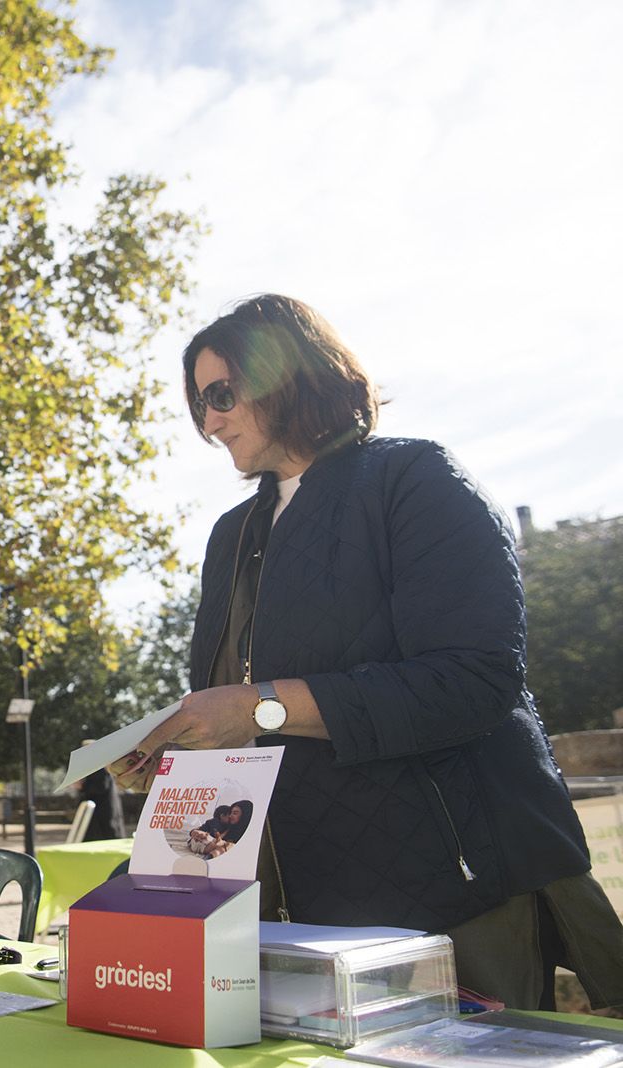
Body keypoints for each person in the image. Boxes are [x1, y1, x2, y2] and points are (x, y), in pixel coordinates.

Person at [114, 294, 623, 1010]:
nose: (209, 422)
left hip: (456, 897)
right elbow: (240, 714)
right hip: (305, 913)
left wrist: (258, 708)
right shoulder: (231, 536)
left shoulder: (414, 477)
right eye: (198, 405)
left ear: (290, 376)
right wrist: (178, 748)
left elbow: (473, 679)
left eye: (222, 395)